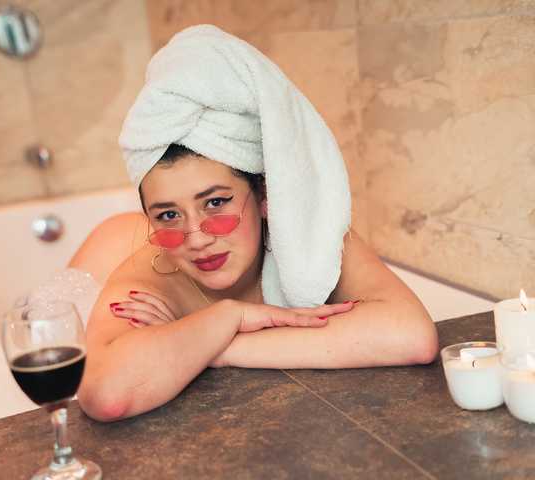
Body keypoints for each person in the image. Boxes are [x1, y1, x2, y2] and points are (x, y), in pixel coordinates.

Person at [74, 26, 438, 422]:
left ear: (266, 195)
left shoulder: (305, 238)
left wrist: (219, 346)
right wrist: (229, 316)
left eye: (215, 203)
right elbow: (106, 394)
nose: (195, 238)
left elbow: (412, 335)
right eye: (168, 215)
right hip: (109, 246)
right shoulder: (148, 282)